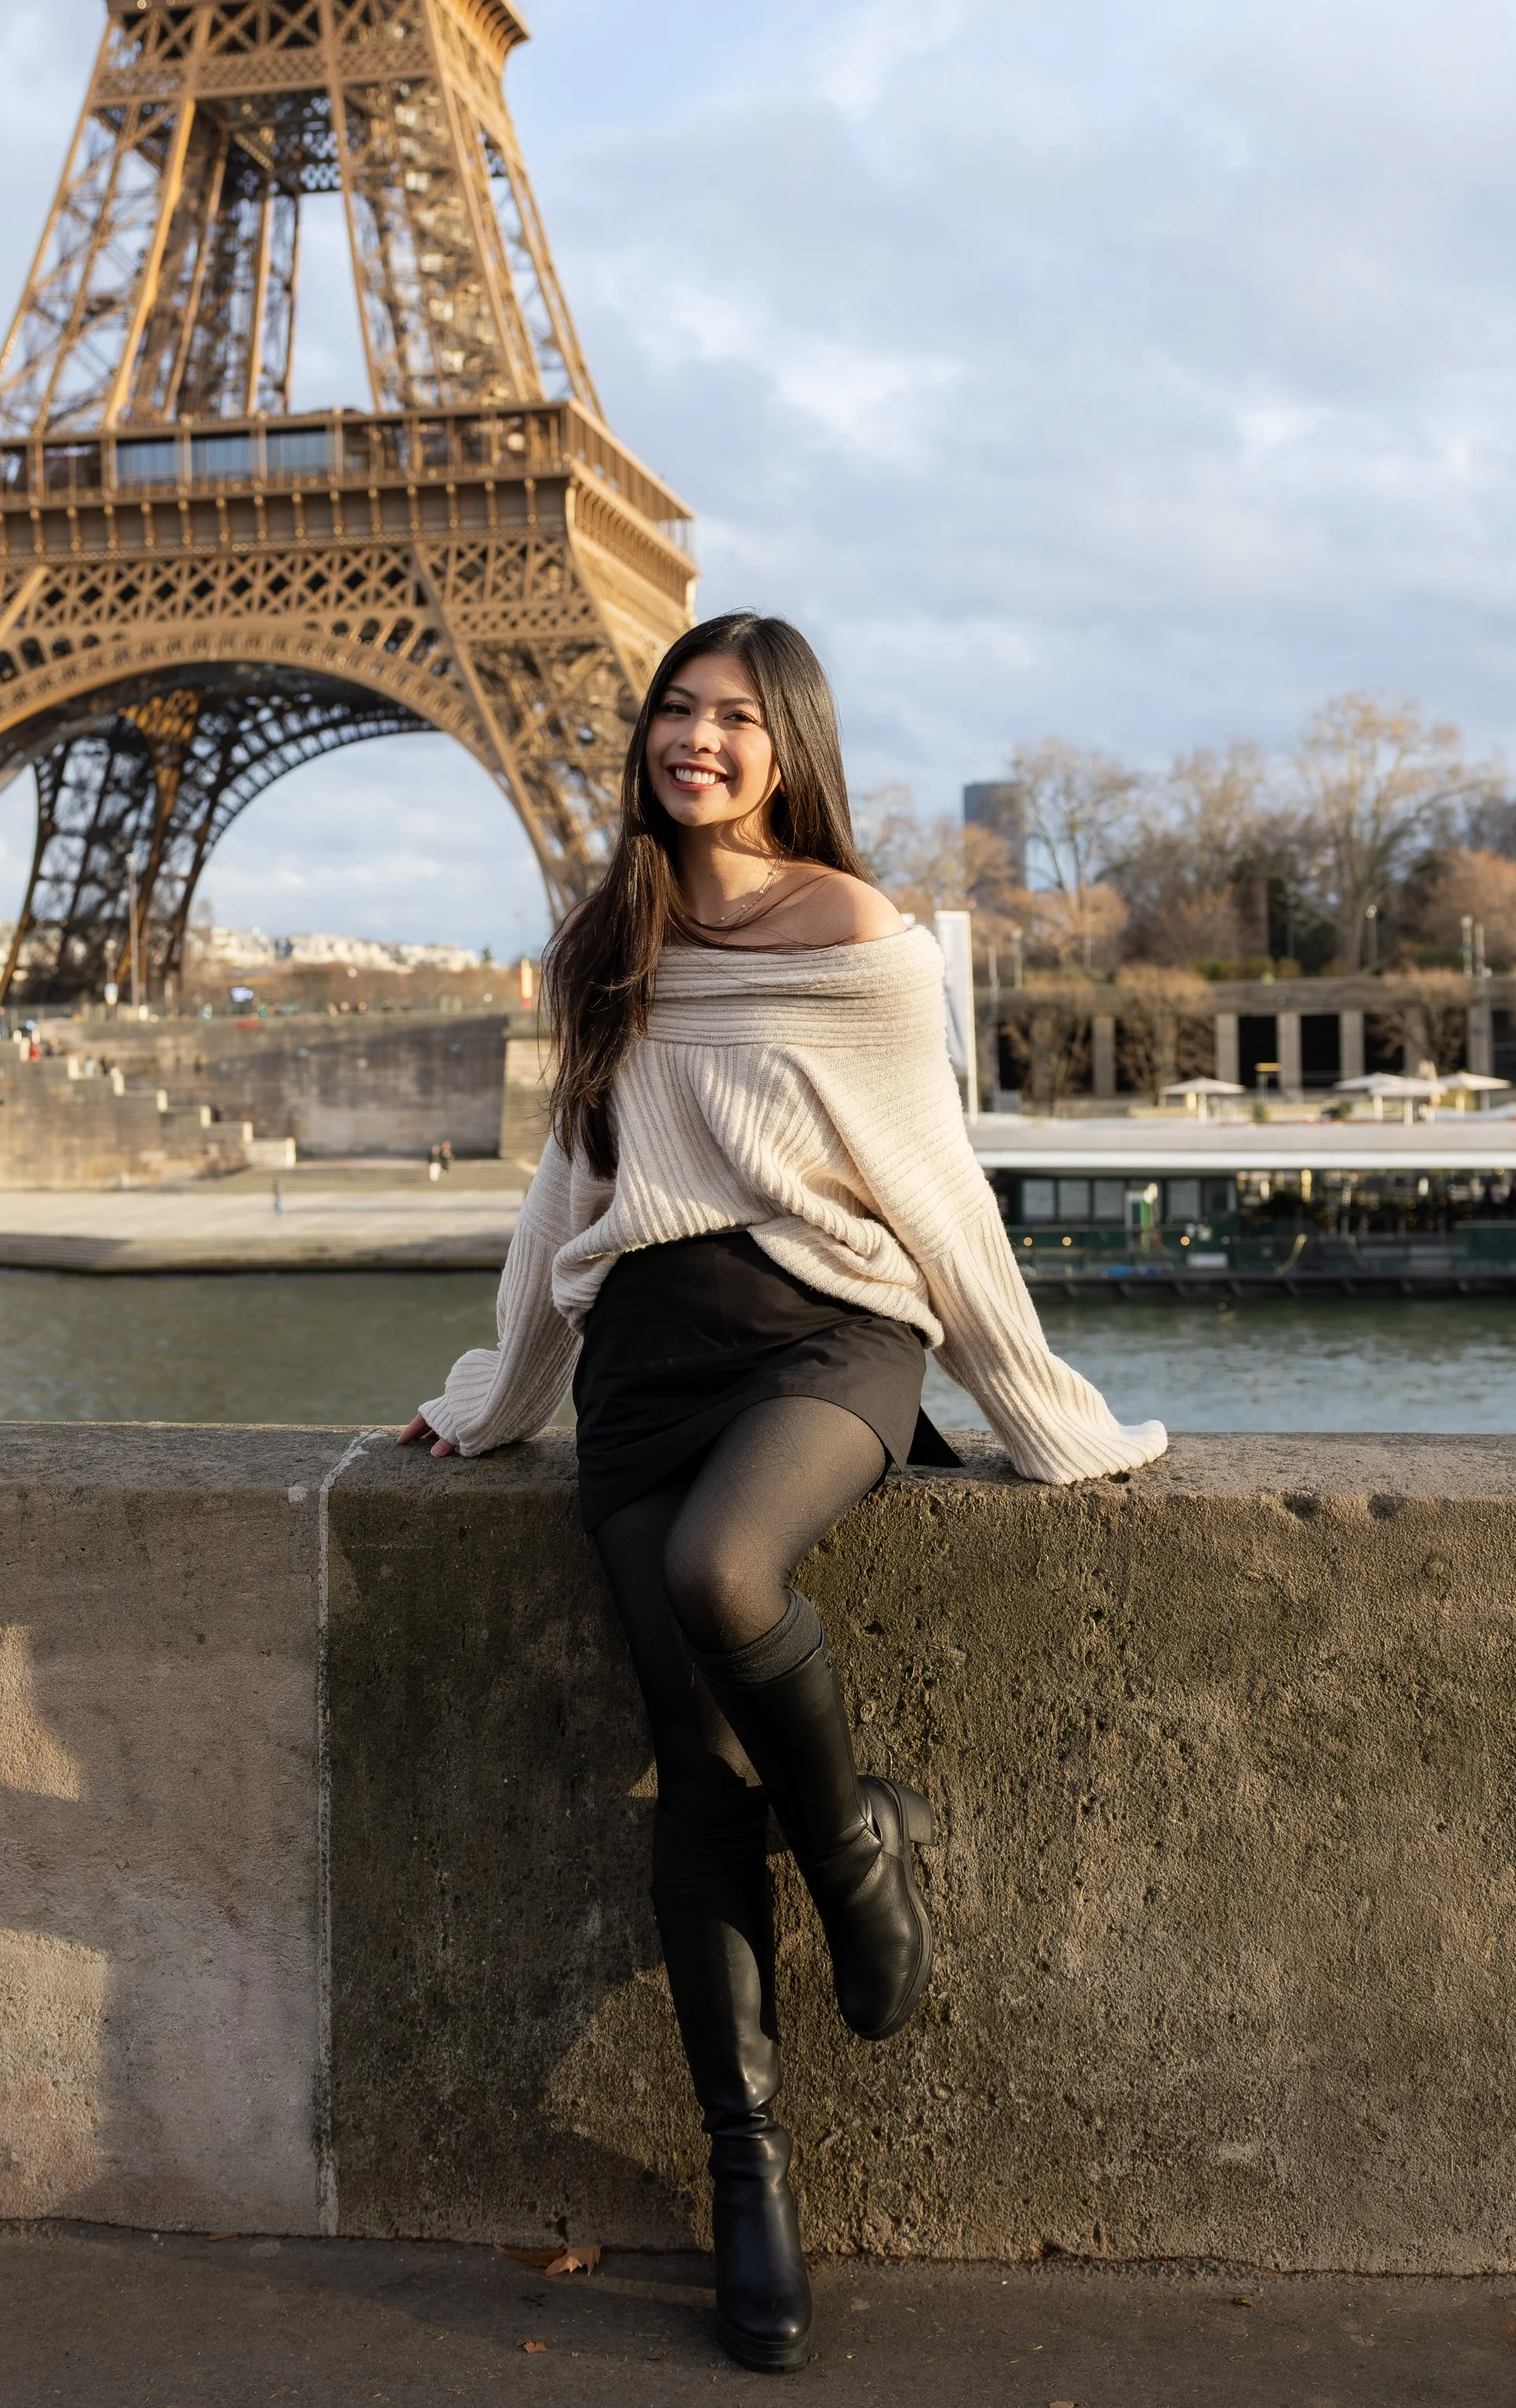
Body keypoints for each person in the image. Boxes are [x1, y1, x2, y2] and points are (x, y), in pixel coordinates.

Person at [399, 612, 1166, 2375]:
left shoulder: (860, 936)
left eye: (734, 716)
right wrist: (495, 1393)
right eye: (675, 707)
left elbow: (931, 1183)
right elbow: (564, 1186)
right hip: (648, 1359)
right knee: (691, 1771)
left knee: (724, 1575)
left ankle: (848, 1854)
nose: (696, 737)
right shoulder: (607, 940)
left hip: (826, 1335)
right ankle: (749, 2174)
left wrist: (1038, 1409)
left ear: (787, 743)